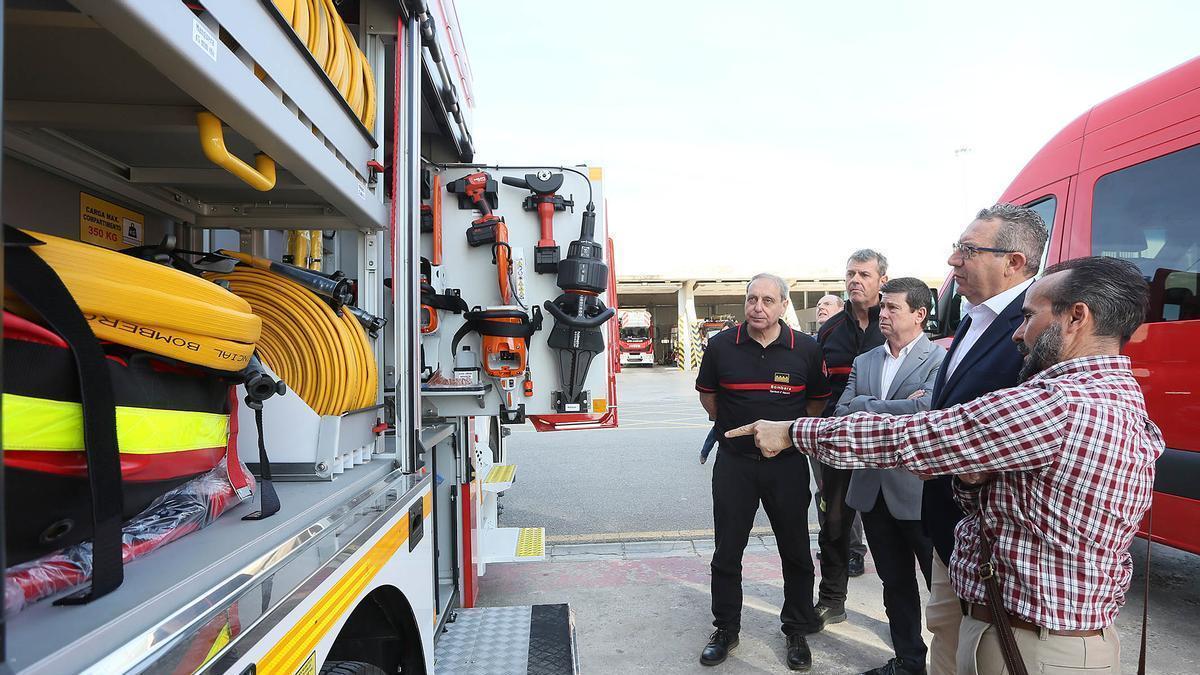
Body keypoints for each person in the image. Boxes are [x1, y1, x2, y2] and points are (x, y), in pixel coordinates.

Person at [727, 255, 1161, 675]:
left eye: (1029, 317)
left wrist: (793, 432)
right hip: (1042, 633)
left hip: (1035, 646)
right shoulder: (1115, 393)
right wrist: (975, 481)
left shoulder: (1060, 405)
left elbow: (918, 434)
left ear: (1076, 317)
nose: (1017, 334)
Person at [922, 204, 1049, 675]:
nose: (954, 261)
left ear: (1014, 262)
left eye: (968, 250)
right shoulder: (973, 319)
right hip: (949, 529)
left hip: (996, 547)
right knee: (947, 641)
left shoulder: (1036, 326)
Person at [695, 273, 831, 671]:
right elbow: (709, 397)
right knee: (726, 552)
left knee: (795, 551)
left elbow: (817, 404)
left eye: (768, 300)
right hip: (734, 465)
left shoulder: (805, 349)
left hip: (786, 468)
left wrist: (783, 438)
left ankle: (796, 630)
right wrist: (740, 434)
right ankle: (726, 629)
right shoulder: (721, 345)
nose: (758, 307)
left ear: (783, 306)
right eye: (752, 299)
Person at [837, 278, 944, 675]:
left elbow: (930, 412)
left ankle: (953, 662)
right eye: (882, 307)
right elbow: (842, 415)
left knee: (942, 589)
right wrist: (896, 406)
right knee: (895, 585)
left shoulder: (939, 360)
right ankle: (909, 661)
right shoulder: (865, 362)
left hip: (918, 492)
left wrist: (870, 407)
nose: (882, 313)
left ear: (919, 314)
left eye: (892, 308)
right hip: (872, 492)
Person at [813, 249, 885, 623]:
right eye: (851, 274)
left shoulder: (895, 324)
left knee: (891, 531)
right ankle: (831, 601)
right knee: (834, 525)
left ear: (881, 282)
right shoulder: (828, 331)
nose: (855, 280)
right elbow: (815, 387)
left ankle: (903, 621)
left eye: (864, 274)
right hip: (836, 444)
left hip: (886, 445)